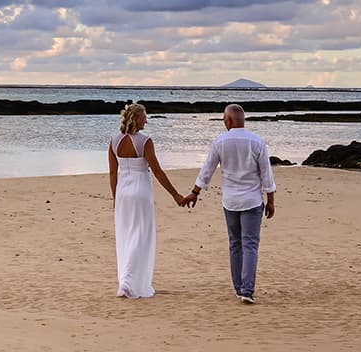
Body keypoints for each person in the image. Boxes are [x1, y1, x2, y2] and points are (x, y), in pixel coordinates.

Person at [186, 103, 277, 304]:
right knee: (250, 244)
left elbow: (207, 170)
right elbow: (266, 174)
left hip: (231, 202)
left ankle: (239, 287)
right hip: (252, 200)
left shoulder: (220, 142)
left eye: (224, 119)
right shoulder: (257, 142)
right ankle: (247, 290)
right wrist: (271, 200)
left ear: (228, 120)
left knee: (235, 244)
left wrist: (195, 193)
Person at [109, 102, 193, 298]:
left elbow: (113, 173)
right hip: (141, 191)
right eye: (144, 117)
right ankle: (128, 283)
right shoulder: (145, 141)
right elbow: (157, 171)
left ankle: (126, 281)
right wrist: (176, 195)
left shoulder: (114, 141)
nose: (146, 120)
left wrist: (115, 197)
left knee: (126, 236)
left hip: (123, 192)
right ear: (137, 118)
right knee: (140, 236)